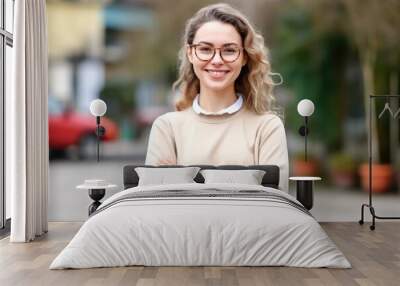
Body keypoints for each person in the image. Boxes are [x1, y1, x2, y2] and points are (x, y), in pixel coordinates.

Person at [145, 3, 289, 192]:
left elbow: (274, 205)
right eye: (205, 49)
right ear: (190, 53)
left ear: (244, 57)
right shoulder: (167, 128)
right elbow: (157, 204)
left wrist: (183, 184)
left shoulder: (266, 128)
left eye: (229, 50)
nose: (217, 60)